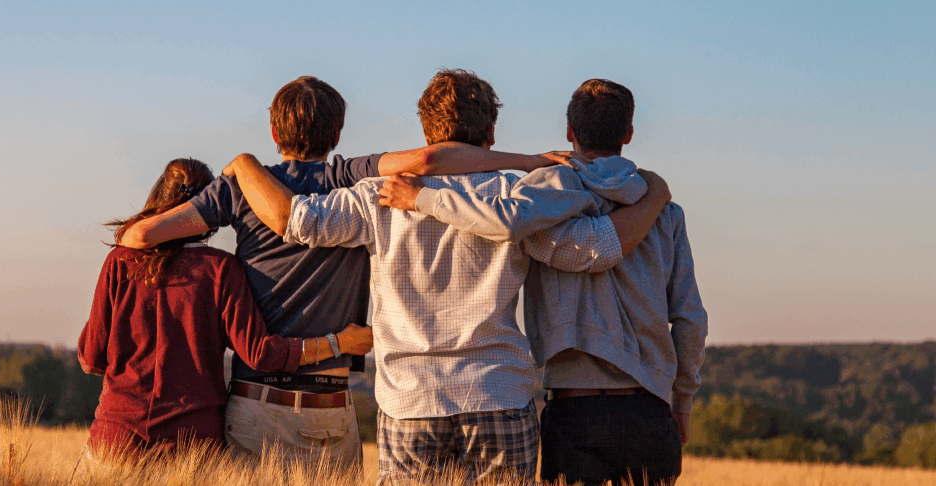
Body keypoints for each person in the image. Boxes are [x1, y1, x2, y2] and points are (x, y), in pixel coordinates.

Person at [227, 69, 672, 485]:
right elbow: (593, 249)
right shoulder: (516, 198)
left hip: (410, 400)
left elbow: (297, 221)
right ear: (491, 133)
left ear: (425, 131)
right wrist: (653, 198)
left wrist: (244, 165)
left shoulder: (377, 196)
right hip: (498, 393)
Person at [115, 76, 548, 470]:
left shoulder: (238, 187)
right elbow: (431, 158)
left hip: (256, 401)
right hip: (332, 405)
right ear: (337, 133)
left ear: (274, 132)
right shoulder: (350, 176)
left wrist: (239, 168)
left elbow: (140, 237)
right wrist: (530, 161)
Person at [381, 79, 708, 486]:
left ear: (569, 131)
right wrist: (682, 400)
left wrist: (423, 198)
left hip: (575, 409)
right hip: (652, 409)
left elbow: (502, 220)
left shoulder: (541, 198)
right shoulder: (665, 211)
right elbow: (690, 317)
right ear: (628, 134)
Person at [77, 157, 373, 458]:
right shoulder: (220, 269)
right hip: (192, 447)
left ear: (159, 198)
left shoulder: (120, 263)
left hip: (116, 440)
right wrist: (339, 343)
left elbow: (91, 359)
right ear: (207, 210)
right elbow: (260, 353)